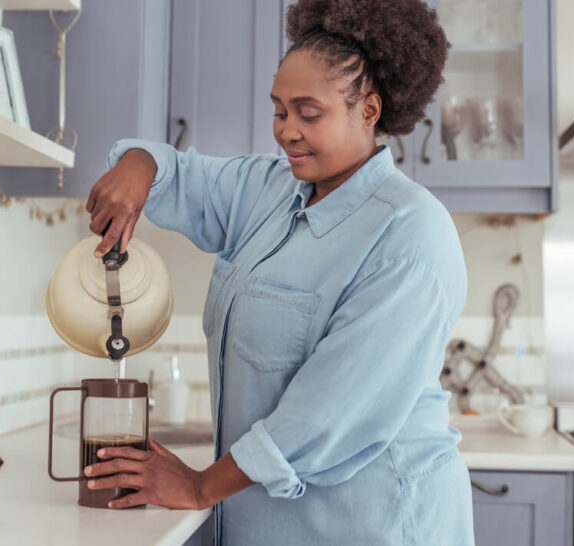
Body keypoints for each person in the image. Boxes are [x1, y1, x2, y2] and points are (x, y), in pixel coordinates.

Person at [82, 0, 474, 544]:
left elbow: (325, 415)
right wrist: (138, 166)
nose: (286, 131)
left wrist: (199, 488)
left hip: (368, 526)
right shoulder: (266, 191)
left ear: (369, 111)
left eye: (308, 113)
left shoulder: (410, 234)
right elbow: (178, 172)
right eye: (278, 110)